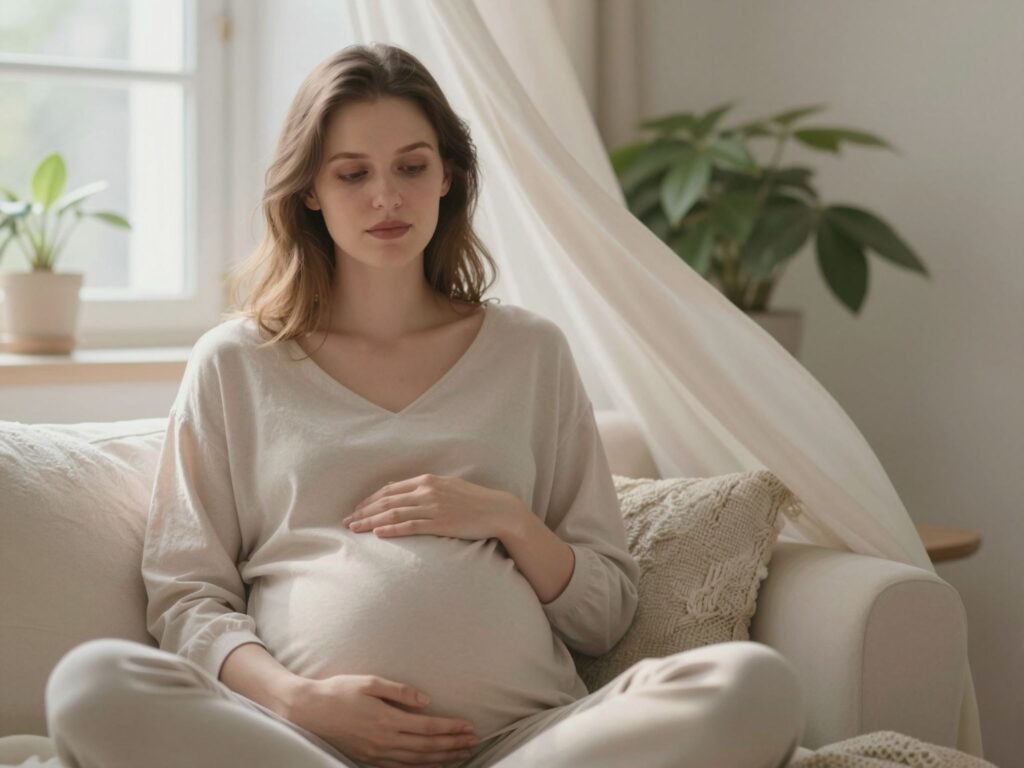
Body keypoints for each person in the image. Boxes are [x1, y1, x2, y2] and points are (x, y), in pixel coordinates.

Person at [44, 43, 805, 768]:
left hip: (529, 744)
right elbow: (185, 599)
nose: (386, 197)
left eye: (412, 166)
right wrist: (298, 701)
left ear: (448, 176)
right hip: (303, 746)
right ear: (309, 188)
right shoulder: (237, 364)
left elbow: (604, 613)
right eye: (352, 174)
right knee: (92, 682)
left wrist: (504, 517)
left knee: (751, 684)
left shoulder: (530, 353)